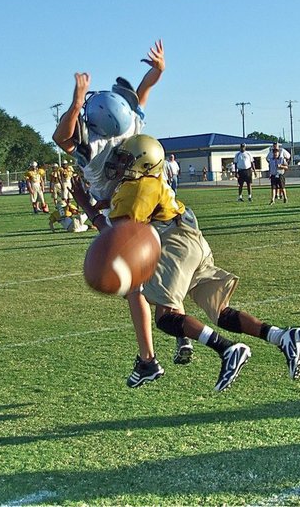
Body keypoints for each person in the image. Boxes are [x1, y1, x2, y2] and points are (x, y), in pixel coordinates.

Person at [72, 134, 300, 392]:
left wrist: (88, 208)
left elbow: (118, 238)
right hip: (190, 238)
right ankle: (282, 336)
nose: (119, 162)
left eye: (126, 158)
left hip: (176, 243)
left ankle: (227, 349)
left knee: (166, 317)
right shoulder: (147, 182)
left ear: (145, 164)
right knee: (222, 313)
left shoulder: (138, 188)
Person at [52, 40, 184, 385]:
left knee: (135, 285)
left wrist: (77, 99)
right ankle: (182, 331)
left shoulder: (93, 148)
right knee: (166, 268)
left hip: (124, 214)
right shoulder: (128, 127)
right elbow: (140, 94)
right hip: (159, 203)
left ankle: (148, 359)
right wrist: (158, 70)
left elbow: (61, 137)